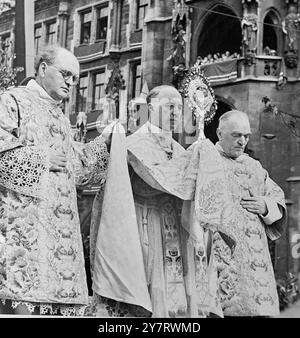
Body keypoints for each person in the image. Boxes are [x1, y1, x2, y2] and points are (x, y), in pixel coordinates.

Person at [90, 85, 222, 318]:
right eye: (169, 107)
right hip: (145, 228)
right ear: (150, 109)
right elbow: (154, 180)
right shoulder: (134, 144)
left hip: (176, 231)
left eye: (180, 108)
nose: (176, 113)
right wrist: (194, 160)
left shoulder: (182, 150)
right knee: (148, 296)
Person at [0, 45, 110, 316]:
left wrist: (105, 143)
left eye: (75, 78)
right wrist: (40, 158)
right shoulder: (11, 100)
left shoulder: (60, 116)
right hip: (24, 234)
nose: (71, 83)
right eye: (65, 74)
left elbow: (76, 169)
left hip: (61, 237)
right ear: (42, 69)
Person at [213, 111, 286, 317]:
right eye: (236, 135)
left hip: (257, 258)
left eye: (246, 136)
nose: (242, 141)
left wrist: (265, 206)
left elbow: (277, 197)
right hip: (225, 256)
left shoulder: (254, 166)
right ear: (220, 133)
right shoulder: (208, 161)